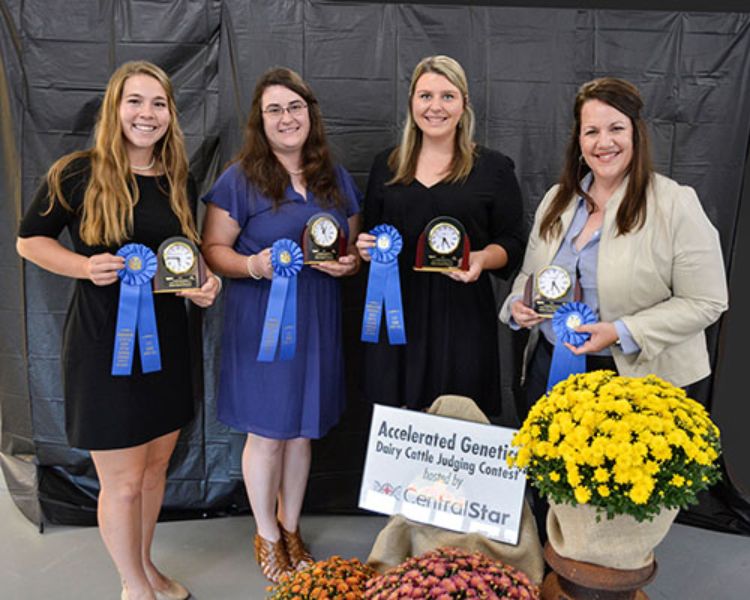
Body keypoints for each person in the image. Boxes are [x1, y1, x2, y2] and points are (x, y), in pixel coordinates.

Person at [16, 61, 220, 600]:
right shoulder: (75, 173)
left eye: (158, 103)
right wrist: (83, 267)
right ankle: (134, 586)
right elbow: (29, 240)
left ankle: (145, 566)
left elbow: (183, 256)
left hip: (166, 346)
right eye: (135, 101)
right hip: (103, 344)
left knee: (155, 473)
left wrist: (204, 283)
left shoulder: (179, 177)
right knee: (124, 482)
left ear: (171, 115)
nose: (146, 114)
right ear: (115, 107)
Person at [498, 77, 728, 542]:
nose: (603, 142)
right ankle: (552, 573)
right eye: (591, 131)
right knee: (551, 490)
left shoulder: (674, 203)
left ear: (636, 133)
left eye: (615, 128)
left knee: (607, 508)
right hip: (552, 372)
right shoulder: (557, 201)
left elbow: (708, 301)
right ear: (578, 141)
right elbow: (530, 278)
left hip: (630, 377)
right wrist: (518, 307)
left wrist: (621, 330)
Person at [200, 67, 361, 583]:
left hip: (317, 317)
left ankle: (292, 528)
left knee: (301, 433)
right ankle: (266, 536)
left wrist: (349, 264)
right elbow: (213, 251)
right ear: (260, 120)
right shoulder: (239, 178)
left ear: (311, 115)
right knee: (268, 434)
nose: (286, 118)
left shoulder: (334, 177)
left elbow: (351, 249)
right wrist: (256, 265)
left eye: (295, 107)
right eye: (275, 109)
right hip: (261, 320)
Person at [356, 55, 525, 415]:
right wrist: (366, 248)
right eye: (425, 96)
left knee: (456, 423)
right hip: (396, 316)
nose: (436, 107)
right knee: (398, 429)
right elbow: (370, 235)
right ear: (412, 103)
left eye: (448, 96)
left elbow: (513, 241)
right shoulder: (385, 165)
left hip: (462, 318)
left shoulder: (494, 168)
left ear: (464, 105)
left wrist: (481, 258)